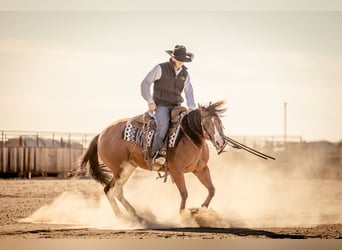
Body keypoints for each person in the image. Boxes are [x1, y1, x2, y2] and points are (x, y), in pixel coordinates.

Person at [141, 45, 196, 165]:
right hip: (161, 105)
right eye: (179, 58)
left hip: (177, 106)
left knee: (188, 126)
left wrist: (192, 108)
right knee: (163, 126)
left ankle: (180, 156)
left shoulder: (185, 74)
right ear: (173, 57)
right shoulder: (160, 68)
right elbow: (145, 83)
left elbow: (189, 92)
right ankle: (155, 155)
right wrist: (150, 101)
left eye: (183, 59)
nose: (181, 61)